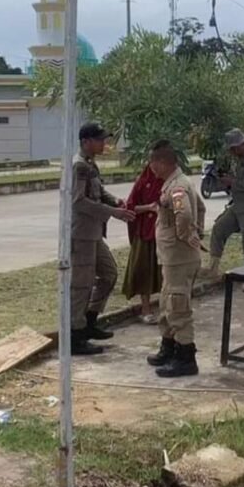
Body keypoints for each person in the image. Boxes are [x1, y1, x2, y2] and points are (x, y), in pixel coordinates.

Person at [71, 122, 135, 355]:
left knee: (109, 274)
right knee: (81, 285)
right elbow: (78, 201)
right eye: (99, 140)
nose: (103, 143)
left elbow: (97, 191)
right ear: (86, 141)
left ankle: (89, 321)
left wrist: (115, 201)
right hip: (82, 235)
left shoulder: (89, 164)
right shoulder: (78, 166)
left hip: (94, 234)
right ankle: (75, 336)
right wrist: (113, 213)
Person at [146, 140, 206, 378]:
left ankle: (185, 357)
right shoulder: (176, 182)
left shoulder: (177, 186)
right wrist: (197, 231)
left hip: (179, 257)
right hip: (172, 258)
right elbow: (201, 208)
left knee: (178, 307)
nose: (150, 167)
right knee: (166, 303)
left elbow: (186, 213)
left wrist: (185, 235)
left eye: (152, 162)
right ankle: (168, 347)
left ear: (162, 163)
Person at [207, 129, 244, 289]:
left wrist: (233, 182)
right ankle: (213, 267)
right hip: (237, 205)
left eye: (235, 148)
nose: (233, 152)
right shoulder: (239, 159)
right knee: (219, 229)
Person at [121, 160, 164, 324]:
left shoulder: (170, 183)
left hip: (163, 234)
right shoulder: (142, 182)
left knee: (164, 273)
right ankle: (146, 309)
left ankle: (166, 308)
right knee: (143, 271)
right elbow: (130, 207)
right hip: (144, 234)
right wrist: (149, 207)